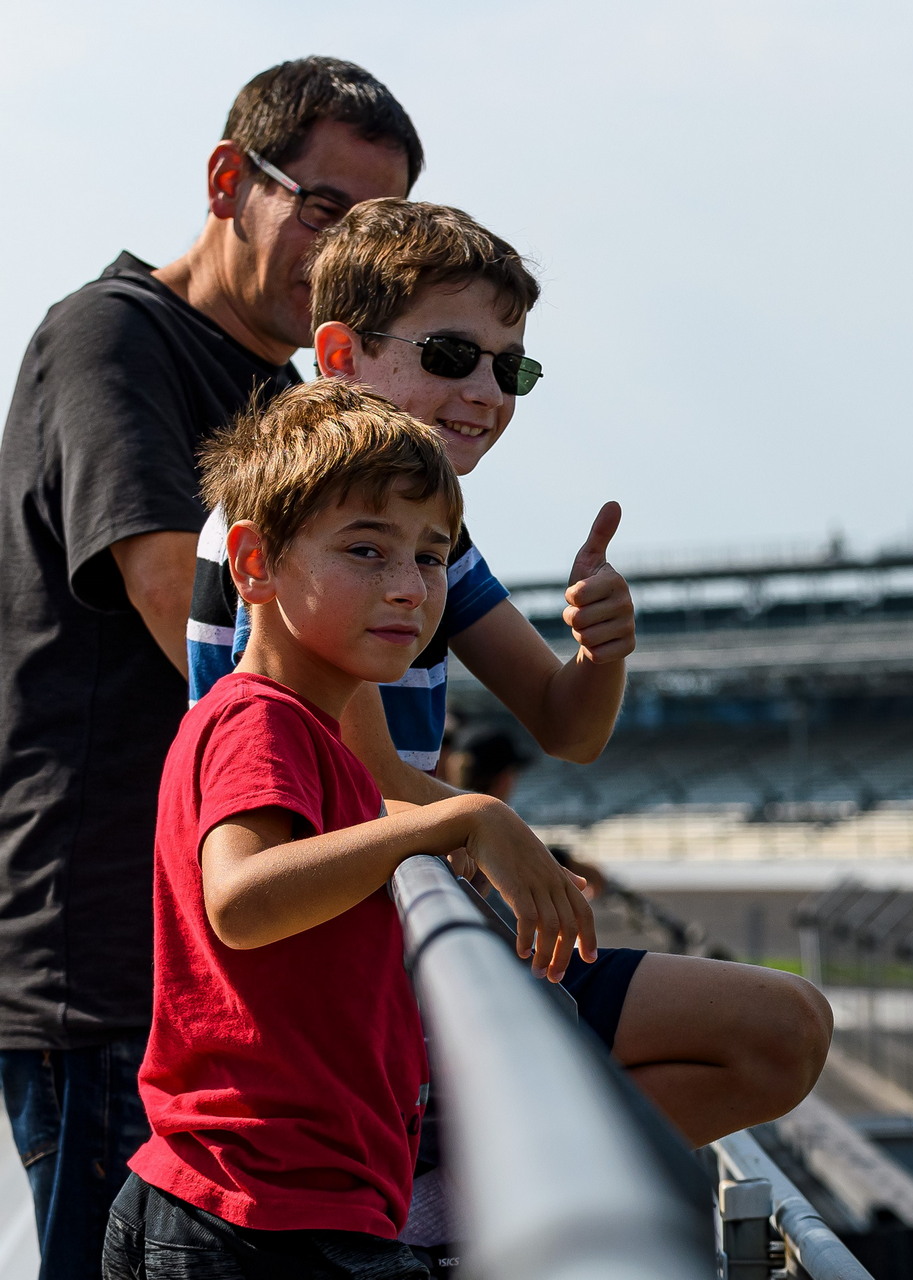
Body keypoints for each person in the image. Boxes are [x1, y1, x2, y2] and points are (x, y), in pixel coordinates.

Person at [186, 198, 833, 1146]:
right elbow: (367, 788)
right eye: (451, 355)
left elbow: (569, 726)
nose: (487, 391)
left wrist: (601, 648)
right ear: (339, 357)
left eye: (511, 367)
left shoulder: (424, 542)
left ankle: (465, 1170)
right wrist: (492, 831)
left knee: (782, 1033)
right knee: (773, 1033)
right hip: (334, 961)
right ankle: (460, 1172)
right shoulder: (306, 535)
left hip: (383, 934)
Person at [0, 57, 419, 1279]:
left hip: (212, 965)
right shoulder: (111, 336)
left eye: (378, 233)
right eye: (329, 212)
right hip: (104, 961)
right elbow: (190, 616)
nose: (347, 257)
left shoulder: (280, 390)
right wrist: (419, 813)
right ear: (231, 180)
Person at [104, 380, 594, 1279]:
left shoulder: (307, 729)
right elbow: (244, 898)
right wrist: (460, 816)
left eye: (432, 556)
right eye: (367, 550)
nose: (409, 587)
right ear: (253, 566)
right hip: (260, 1214)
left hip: (264, 1202)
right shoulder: (262, 722)